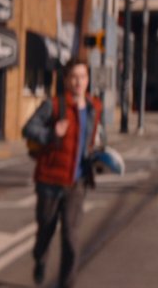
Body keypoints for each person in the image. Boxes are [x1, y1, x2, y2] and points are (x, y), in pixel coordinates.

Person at [30, 58, 102, 288]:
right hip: (50, 181)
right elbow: (29, 128)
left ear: (88, 79)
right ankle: (40, 259)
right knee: (45, 233)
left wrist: (99, 152)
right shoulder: (54, 105)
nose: (79, 82)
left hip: (77, 183)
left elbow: (93, 138)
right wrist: (51, 133)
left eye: (83, 77)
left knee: (71, 238)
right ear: (66, 80)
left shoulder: (94, 107)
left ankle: (67, 284)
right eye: (74, 77)